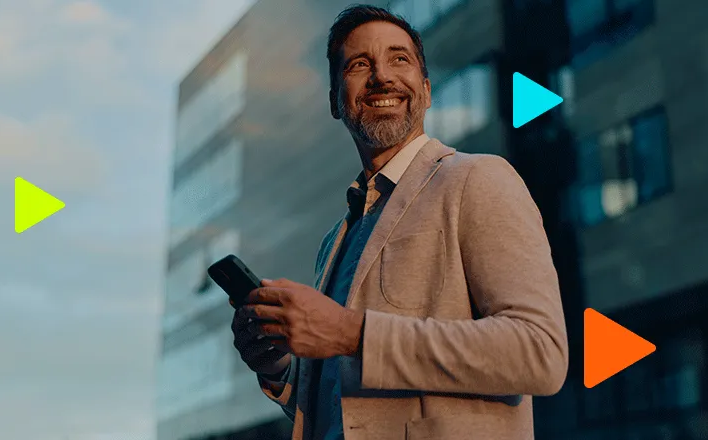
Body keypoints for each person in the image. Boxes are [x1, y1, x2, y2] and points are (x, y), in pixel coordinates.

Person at [229, 4, 568, 439]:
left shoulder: (478, 178)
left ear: (425, 91)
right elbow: (348, 410)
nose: (382, 76)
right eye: (359, 64)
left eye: (399, 59)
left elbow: (540, 353)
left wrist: (351, 333)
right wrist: (277, 367)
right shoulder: (336, 239)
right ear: (335, 100)